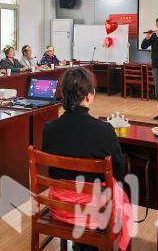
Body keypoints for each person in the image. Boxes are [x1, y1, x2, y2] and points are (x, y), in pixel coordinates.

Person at [42, 67, 133, 251]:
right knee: (122, 188)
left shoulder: (49, 128)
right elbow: (118, 168)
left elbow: (51, 170)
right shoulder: (104, 130)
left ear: (63, 95)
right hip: (94, 211)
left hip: (60, 208)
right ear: (90, 96)